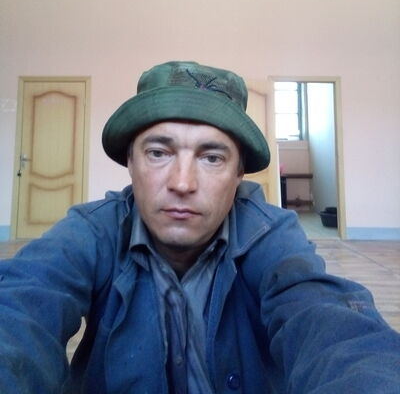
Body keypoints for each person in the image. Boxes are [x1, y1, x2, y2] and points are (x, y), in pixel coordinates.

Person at [0, 60, 399, 394]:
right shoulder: (92, 231)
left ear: (239, 174)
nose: (182, 183)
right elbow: (20, 306)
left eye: (211, 158)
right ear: (131, 163)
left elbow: (331, 323)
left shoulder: (271, 236)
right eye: (159, 153)